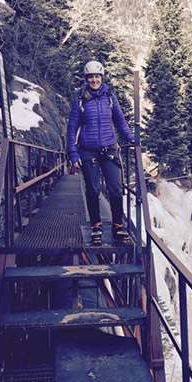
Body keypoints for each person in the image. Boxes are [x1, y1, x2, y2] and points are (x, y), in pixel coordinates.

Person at [67, 60, 135, 245]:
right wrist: (73, 154)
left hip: (109, 149)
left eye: (97, 76)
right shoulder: (80, 100)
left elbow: (120, 121)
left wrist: (132, 139)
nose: (94, 80)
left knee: (115, 189)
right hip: (88, 151)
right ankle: (96, 226)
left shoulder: (110, 98)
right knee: (93, 190)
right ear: (86, 79)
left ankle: (118, 226)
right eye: (91, 77)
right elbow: (72, 128)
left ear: (102, 77)